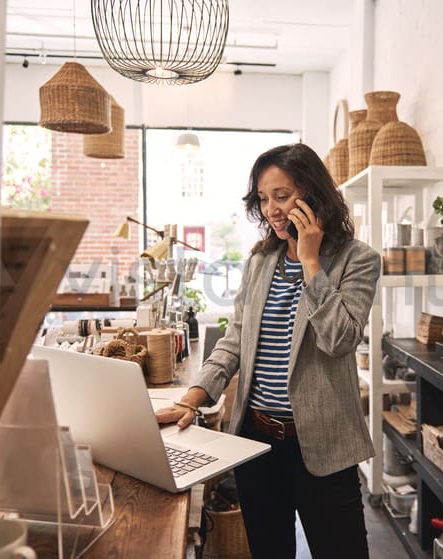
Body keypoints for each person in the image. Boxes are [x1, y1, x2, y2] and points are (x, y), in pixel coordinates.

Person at [156, 143, 381, 558]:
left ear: (313, 195)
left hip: (325, 447)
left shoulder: (358, 259)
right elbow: (234, 341)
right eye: (263, 198)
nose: (272, 209)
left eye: (282, 196)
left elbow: (340, 339)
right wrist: (194, 396)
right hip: (257, 444)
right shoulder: (261, 262)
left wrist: (311, 263)